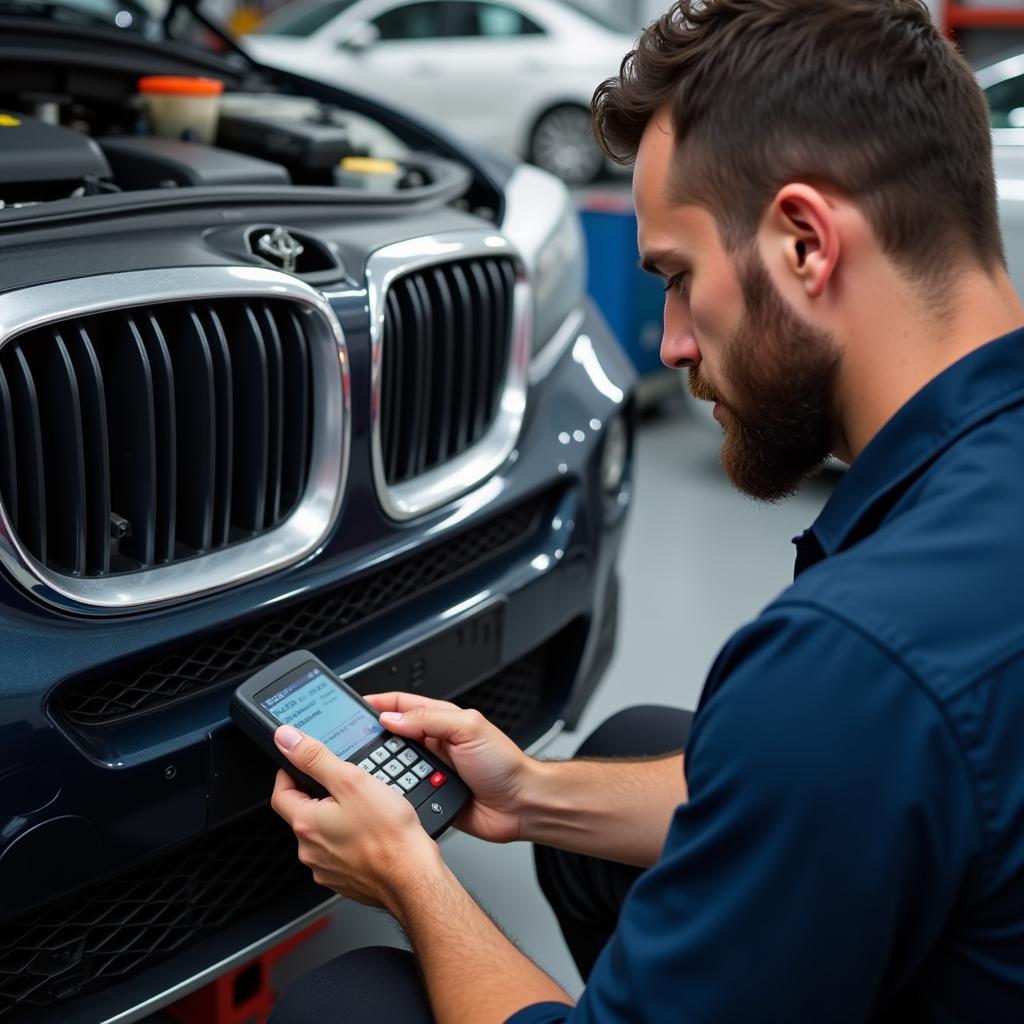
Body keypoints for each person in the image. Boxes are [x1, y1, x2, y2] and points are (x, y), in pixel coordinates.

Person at [266, 1, 1024, 1020]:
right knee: (631, 743)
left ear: (804, 242)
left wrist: (411, 876)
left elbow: (838, 735)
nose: (670, 342)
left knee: (350, 998)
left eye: (676, 277)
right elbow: (824, 792)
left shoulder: (854, 660)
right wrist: (526, 793)